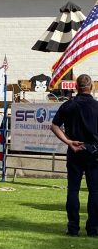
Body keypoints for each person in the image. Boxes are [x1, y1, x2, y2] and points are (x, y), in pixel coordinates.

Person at [51, 74, 98, 237]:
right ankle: (93, 229)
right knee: (95, 192)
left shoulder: (69, 105)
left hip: (75, 150)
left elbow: (54, 126)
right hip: (94, 152)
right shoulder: (96, 106)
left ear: (76, 87)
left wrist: (69, 142)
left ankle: (73, 227)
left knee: (73, 190)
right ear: (91, 86)